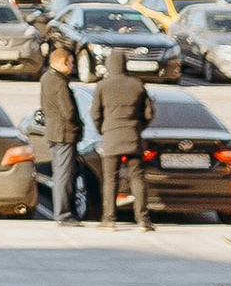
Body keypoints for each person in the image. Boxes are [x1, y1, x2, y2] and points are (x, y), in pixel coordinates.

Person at [95, 45, 152, 230]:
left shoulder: (102, 86)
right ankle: (143, 220)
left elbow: (95, 113)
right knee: (138, 178)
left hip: (111, 137)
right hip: (133, 137)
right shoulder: (137, 85)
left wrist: (103, 129)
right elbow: (149, 113)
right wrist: (138, 127)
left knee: (111, 179)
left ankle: (109, 219)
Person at [40, 35, 82, 223]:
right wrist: (78, 125)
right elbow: (69, 111)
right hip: (64, 134)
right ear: (63, 63)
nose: (72, 67)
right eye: (71, 63)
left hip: (52, 131)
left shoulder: (46, 78)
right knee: (64, 175)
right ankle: (64, 214)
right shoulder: (60, 83)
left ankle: (61, 212)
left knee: (58, 174)